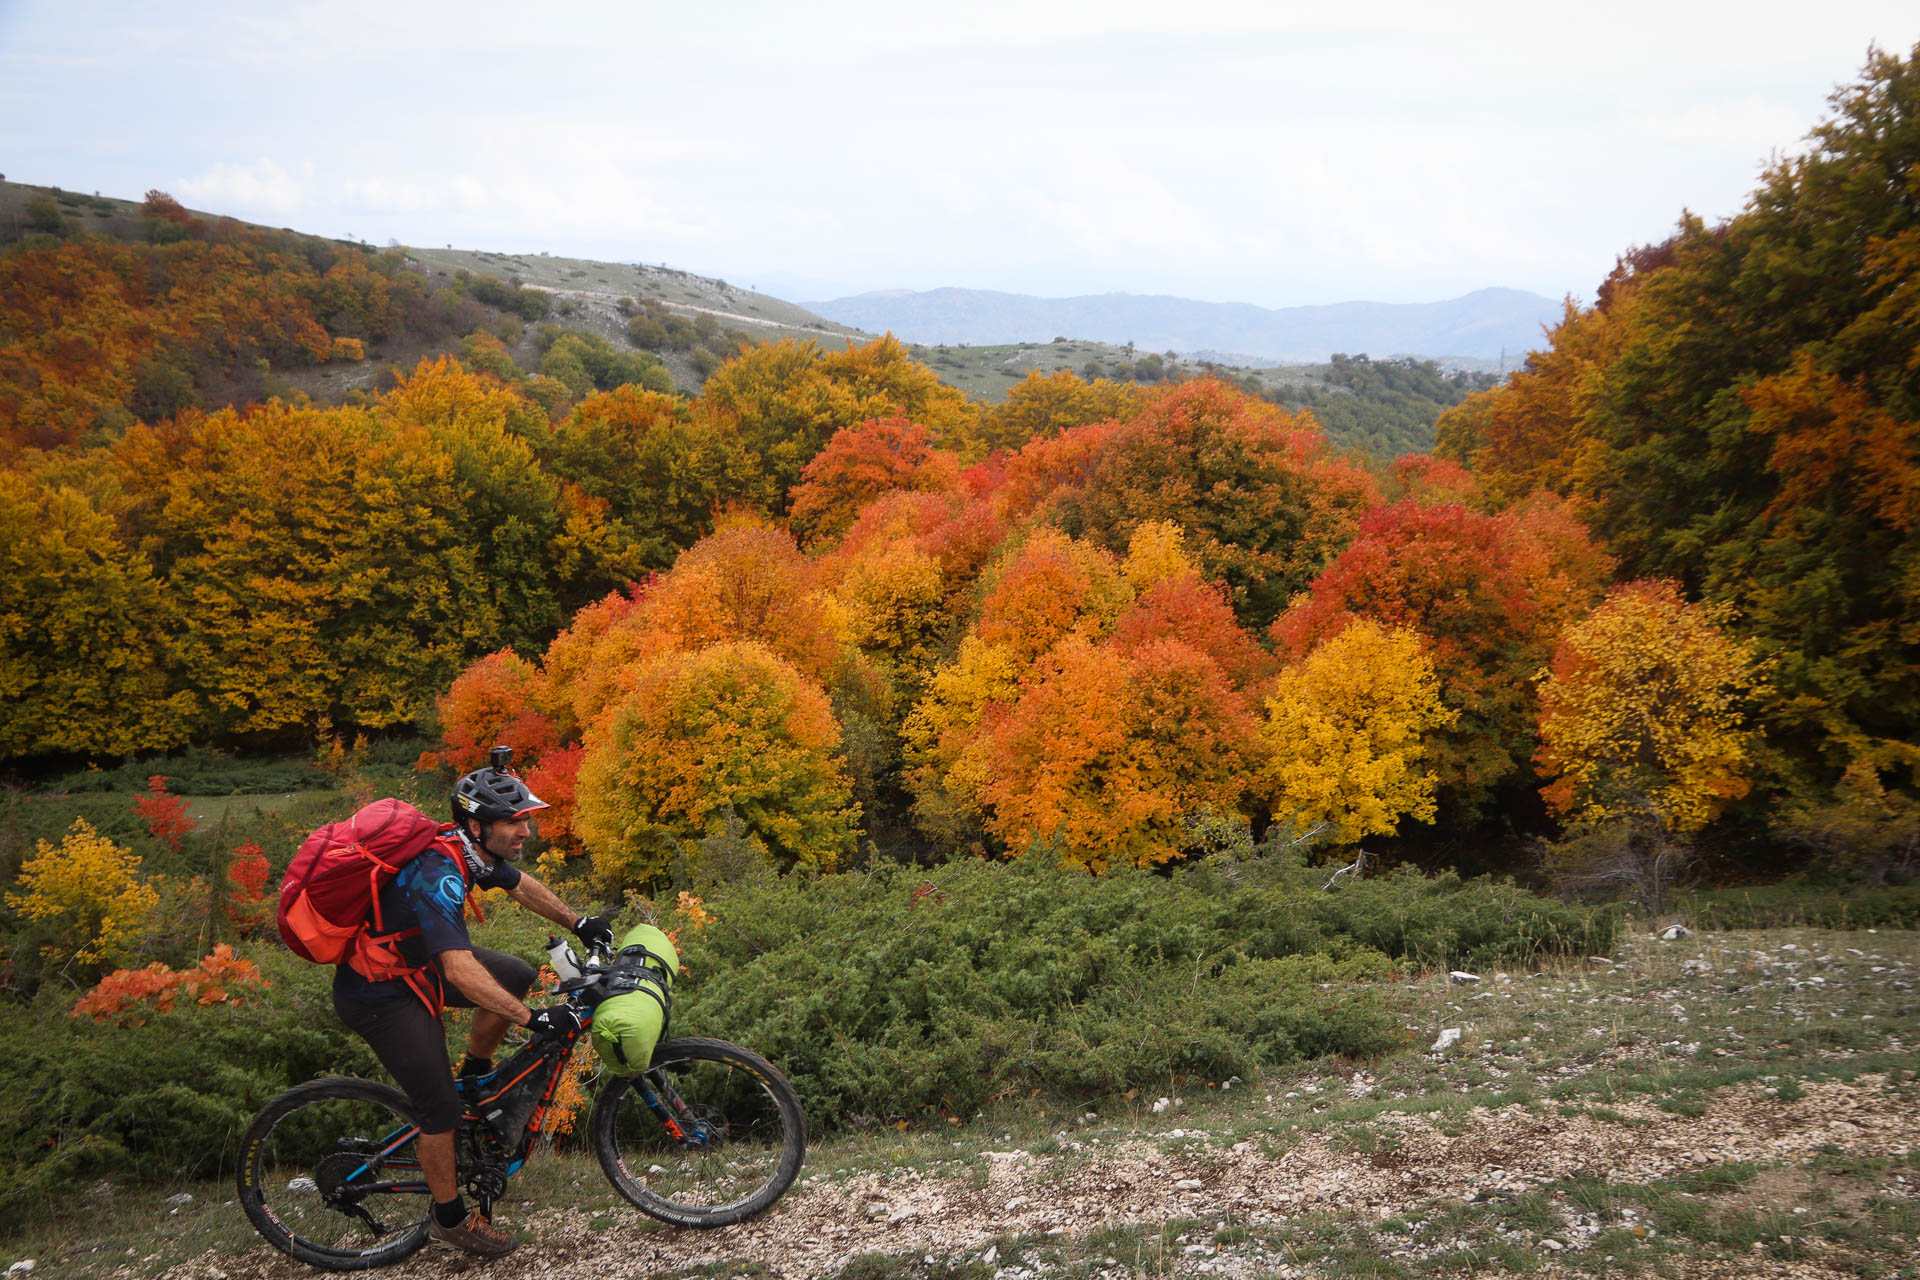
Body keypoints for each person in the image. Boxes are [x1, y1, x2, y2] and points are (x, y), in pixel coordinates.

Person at [330, 758, 613, 1258]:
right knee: (436, 1108)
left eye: (526, 819)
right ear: (479, 825)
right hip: (381, 993)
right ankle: (450, 1219)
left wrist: (580, 921)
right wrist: (533, 1018)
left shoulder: (470, 852)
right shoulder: (439, 872)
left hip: (414, 967)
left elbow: (519, 882)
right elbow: (458, 969)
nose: (526, 830)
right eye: (515, 821)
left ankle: (475, 1083)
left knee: (515, 975)